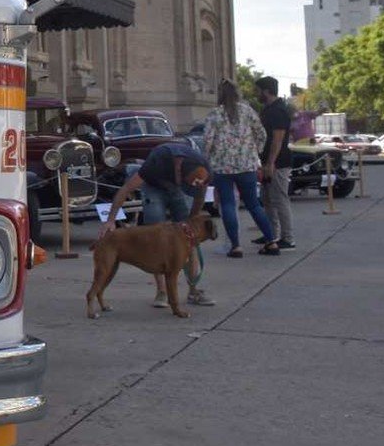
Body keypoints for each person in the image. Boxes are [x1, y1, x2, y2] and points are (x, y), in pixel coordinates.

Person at [98, 141, 214, 307]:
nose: (193, 186)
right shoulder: (157, 163)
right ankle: (161, 292)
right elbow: (125, 190)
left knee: (190, 240)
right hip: (154, 187)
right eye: (189, 183)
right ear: (179, 171)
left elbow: (199, 197)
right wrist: (110, 220)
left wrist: (192, 221)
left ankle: (193, 290)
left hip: (177, 190)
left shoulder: (204, 169)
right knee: (156, 238)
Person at [202, 79, 276, 257]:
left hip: (222, 166)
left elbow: (207, 140)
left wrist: (207, 160)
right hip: (247, 165)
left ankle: (235, 246)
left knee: (228, 204)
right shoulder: (247, 111)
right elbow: (262, 133)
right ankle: (271, 241)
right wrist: (254, 151)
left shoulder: (215, 114)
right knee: (253, 204)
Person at [255, 75, 298, 252]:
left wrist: (271, 163)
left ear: (266, 91)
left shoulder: (278, 110)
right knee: (267, 200)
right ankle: (271, 234)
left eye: (257, 90)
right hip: (267, 161)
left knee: (280, 199)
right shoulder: (268, 109)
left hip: (278, 163)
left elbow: (277, 139)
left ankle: (288, 238)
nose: (255, 93)